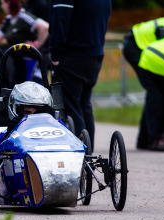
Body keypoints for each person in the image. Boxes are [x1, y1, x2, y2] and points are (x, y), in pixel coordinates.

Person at [48, 0, 111, 153]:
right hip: (94, 53)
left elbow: (60, 21)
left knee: (70, 107)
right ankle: (88, 153)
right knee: (84, 106)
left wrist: (55, 53)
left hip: (73, 55)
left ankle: (80, 154)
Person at [123, 17, 164, 150]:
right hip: (140, 48)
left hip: (141, 45)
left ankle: (146, 140)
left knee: (159, 93)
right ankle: (156, 139)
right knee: (156, 93)